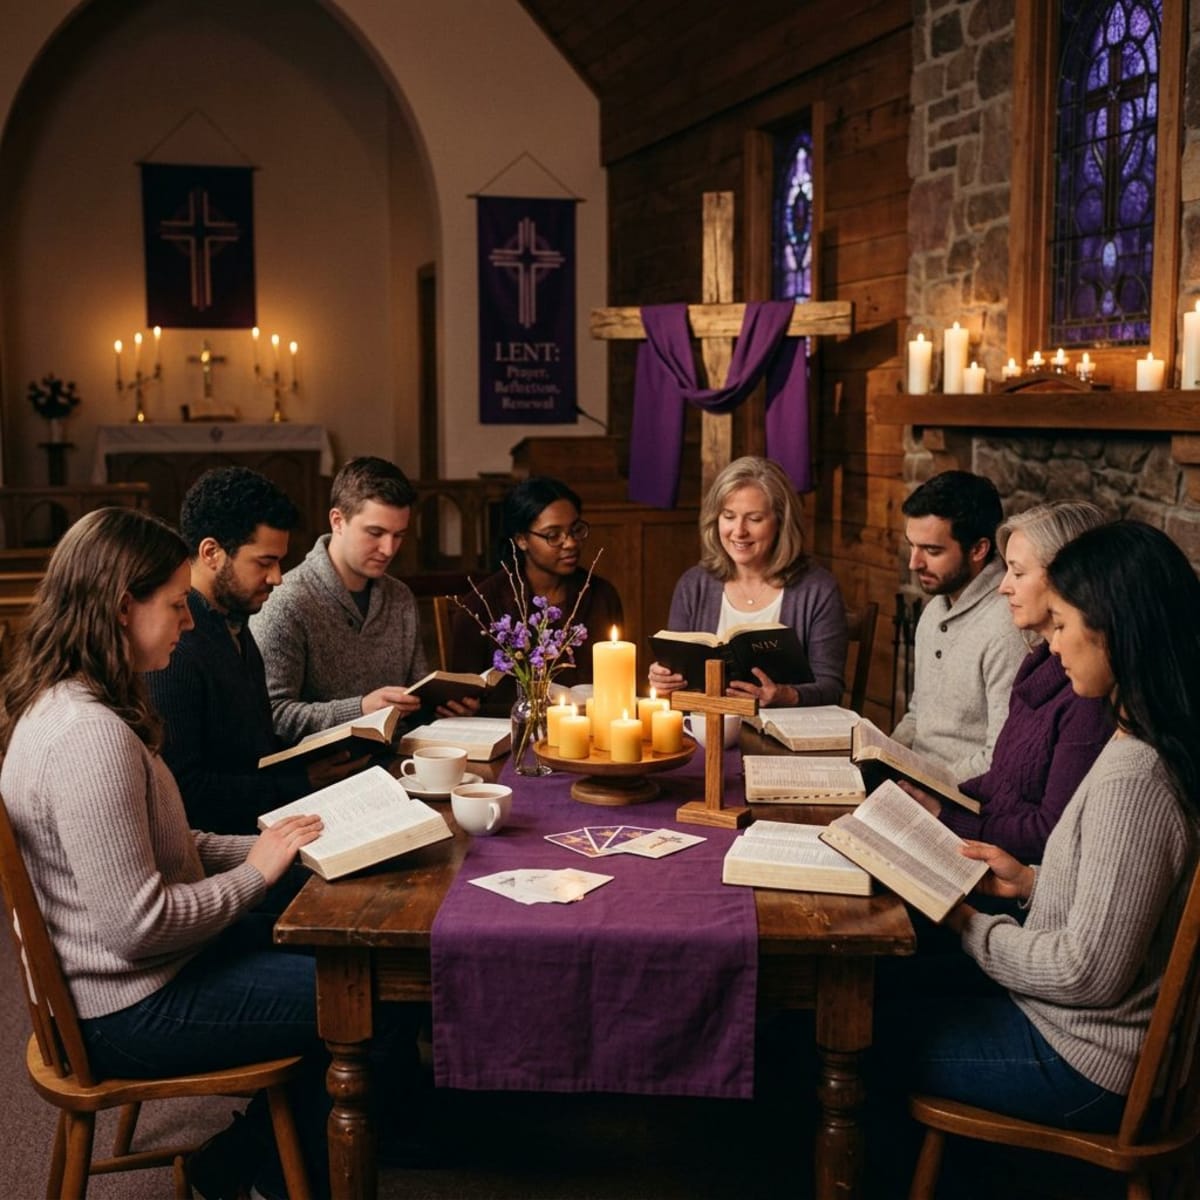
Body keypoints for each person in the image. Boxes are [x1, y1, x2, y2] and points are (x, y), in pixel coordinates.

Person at [0, 508, 330, 1198]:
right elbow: (137, 925)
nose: (188, 621)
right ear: (123, 608)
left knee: (333, 950)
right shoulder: (90, 737)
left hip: (128, 980)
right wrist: (255, 873)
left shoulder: (71, 703)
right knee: (358, 996)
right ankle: (251, 1167)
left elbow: (166, 845)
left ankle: (257, 1161)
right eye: (177, 604)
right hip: (126, 1010)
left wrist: (279, 848)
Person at [878, 520, 1200, 1143]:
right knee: (886, 990)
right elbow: (1124, 895)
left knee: (852, 1034)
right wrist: (1029, 882)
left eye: (1061, 626)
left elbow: (1086, 971)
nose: (1051, 646)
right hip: (1074, 1033)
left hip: (1086, 1065)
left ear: (1114, 634)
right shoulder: (1141, 738)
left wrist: (967, 925)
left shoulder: (1136, 775)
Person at [146, 467, 367, 835]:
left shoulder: (233, 620)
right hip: (229, 849)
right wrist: (300, 783)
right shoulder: (176, 648)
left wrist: (318, 757)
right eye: (265, 562)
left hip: (267, 825)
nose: (277, 578)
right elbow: (186, 794)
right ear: (211, 552)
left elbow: (250, 747)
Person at [903, 501, 1114, 862]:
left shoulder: (1087, 693)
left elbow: (1048, 833)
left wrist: (946, 817)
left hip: (1010, 874)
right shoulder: (1038, 663)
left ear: (1066, 579)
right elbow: (999, 778)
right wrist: (933, 800)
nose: (1002, 588)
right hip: (979, 835)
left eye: (1017, 572)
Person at [251, 455, 475, 743]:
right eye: (376, 533)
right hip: (323, 775)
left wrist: (444, 710)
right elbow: (272, 716)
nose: (388, 548)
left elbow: (415, 701)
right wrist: (359, 709)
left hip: (398, 759)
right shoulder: (286, 602)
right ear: (337, 521)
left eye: (399, 535)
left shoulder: (400, 597)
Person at [648, 455, 847, 707]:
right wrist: (665, 678)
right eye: (729, 516)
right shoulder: (693, 584)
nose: (739, 531)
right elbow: (677, 677)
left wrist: (787, 695)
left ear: (781, 523)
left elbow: (831, 688)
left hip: (785, 737)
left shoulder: (818, 589)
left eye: (754, 519)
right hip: (705, 728)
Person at [891, 470, 1028, 778]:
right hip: (914, 782)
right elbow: (918, 716)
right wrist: (881, 757)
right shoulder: (935, 610)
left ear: (979, 549)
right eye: (912, 545)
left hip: (959, 800)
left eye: (932, 550)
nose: (914, 563)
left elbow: (998, 758)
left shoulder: (1008, 627)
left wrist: (924, 785)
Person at [448, 476, 624, 712]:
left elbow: (617, 682)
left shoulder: (601, 596)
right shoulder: (483, 605)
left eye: (575, 530)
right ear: (522, 540)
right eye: (553, 535)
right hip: (508, 735)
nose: (570, 543)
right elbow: (463, 699)